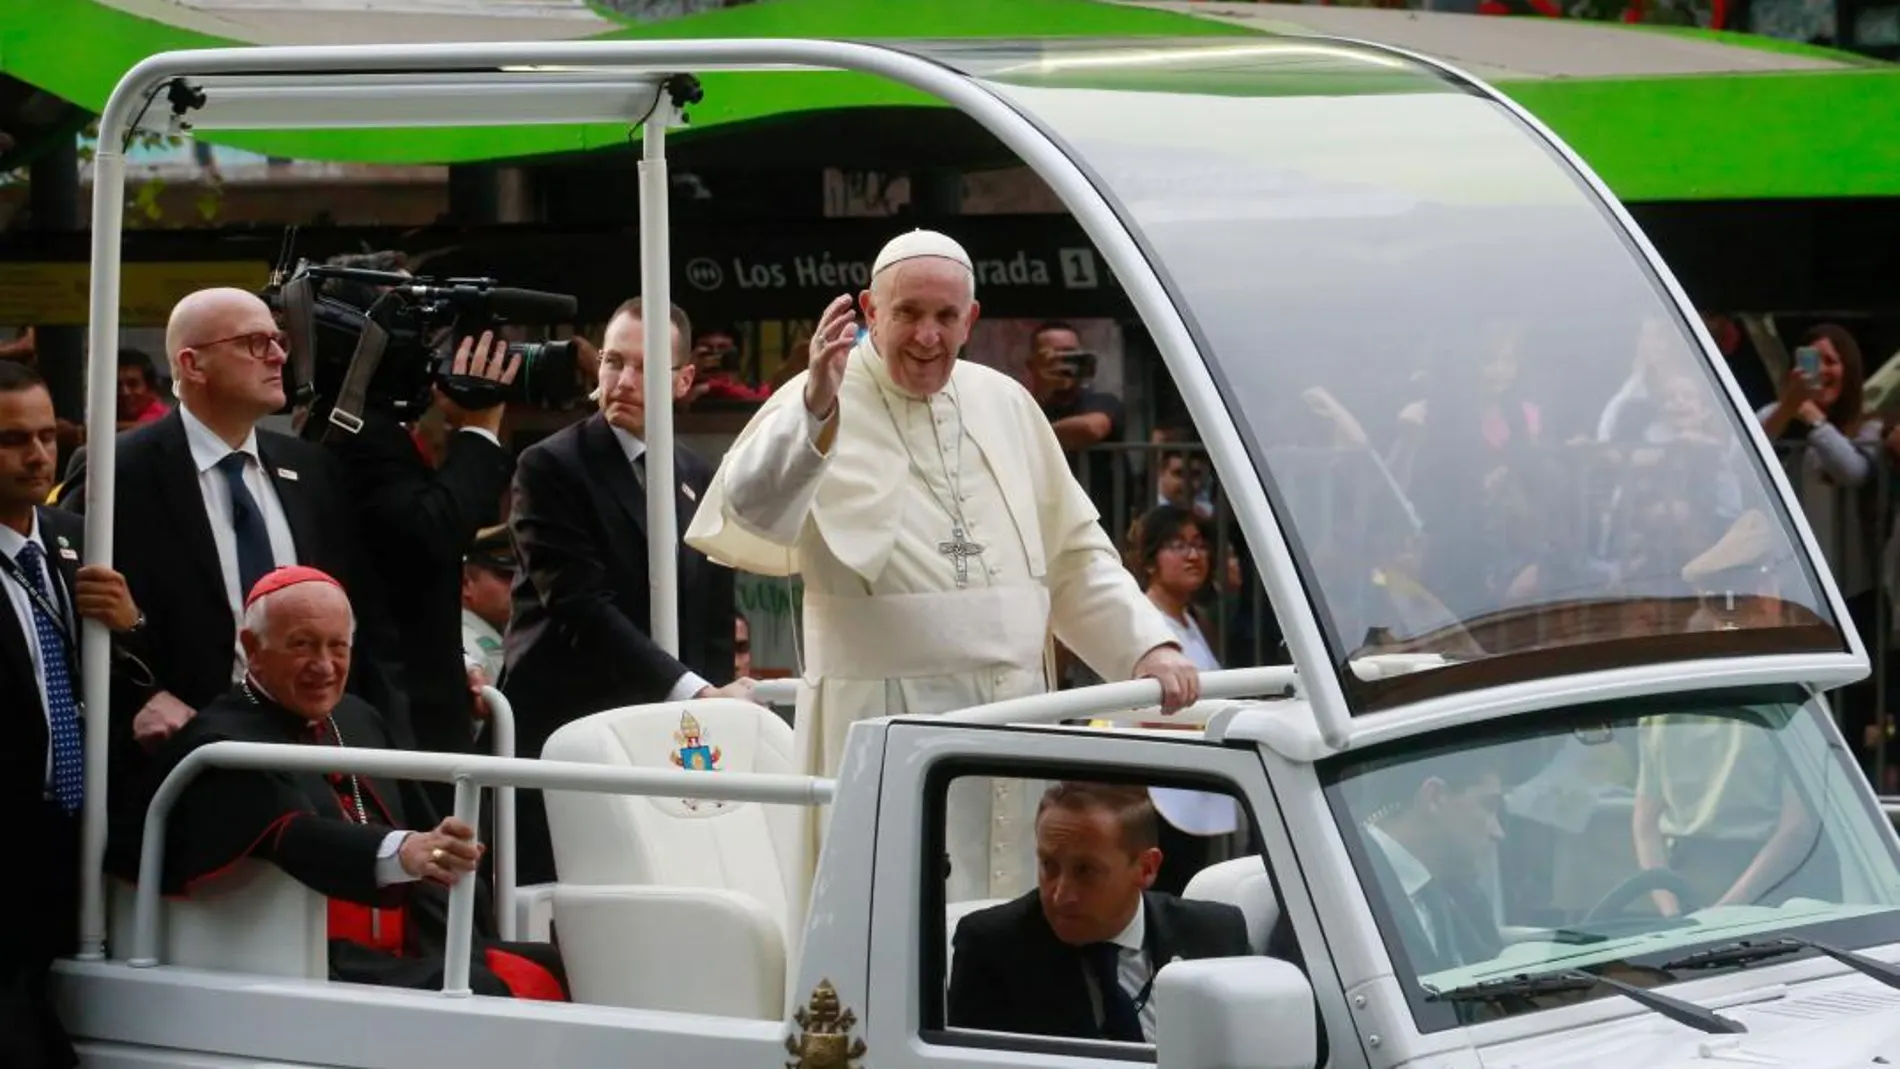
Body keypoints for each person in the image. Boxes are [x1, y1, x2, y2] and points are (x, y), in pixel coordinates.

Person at [685, 229, 1198, 901]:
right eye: (907, 313)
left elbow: (1073, 552)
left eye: (944, 316)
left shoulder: (1006, 403)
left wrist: (1148, 645)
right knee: (891, 914)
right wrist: (814, 409)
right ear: (871, 311)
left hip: (1015, 714)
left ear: (970, 321)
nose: (927, 335)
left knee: (1009, 916)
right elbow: (751, 514)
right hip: (879, 718)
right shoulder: (817, 394)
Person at [109, 566, 566, 1000]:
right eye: (302, 645)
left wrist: (444, 850)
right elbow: (293, 836)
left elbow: (421, 823)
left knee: (556, 963)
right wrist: (403, 851)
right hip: (306, 957)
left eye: (337, 646)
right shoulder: (223, 741)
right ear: (252, 647)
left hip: (407, 940)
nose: (324, 666)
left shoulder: (356, 716)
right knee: (485, 991)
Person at [76, 286, 407, 779]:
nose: (276, 356)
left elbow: (365, 612)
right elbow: (84, 612)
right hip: (184, 754)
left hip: (316, 749)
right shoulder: (121, 470)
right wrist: (142, 698)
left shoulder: (312, 469)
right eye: (255, 342)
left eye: (278, 340)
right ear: (192, 364)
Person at [503, 296, 746, 885]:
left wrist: (712, 710)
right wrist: (692, 692)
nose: (625, 381)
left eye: (645, 367)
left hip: (669, 739)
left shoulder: (696, 474)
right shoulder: (551, 466)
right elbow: (579, 607)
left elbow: (713, 611)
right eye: (613, 362)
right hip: (569, 728)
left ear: (685, 379)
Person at [0, 362, 146, 1069]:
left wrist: (130, 623)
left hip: (78, 838)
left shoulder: (79, 536)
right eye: (11, 439)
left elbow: (128, 683)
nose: (36, 455)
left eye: (47, 436)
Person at [323, 328, 517, 778]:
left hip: (421, 686)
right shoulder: (362, 433)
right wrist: (481, 427)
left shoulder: (370, 427)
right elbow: (431, 533)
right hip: (395, 703)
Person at [947, 782, 1249, 1043]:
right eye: (1049, 866)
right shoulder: (995, 948)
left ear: (1146, 868)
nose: (1061, 894)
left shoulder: (1216, 936)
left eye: (1086, 871)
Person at [1357, 752, 1505, 972]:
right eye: (1488, 806)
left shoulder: (1467, 899)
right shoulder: (1345, 885)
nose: (1498, 832)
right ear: (1435, 798)